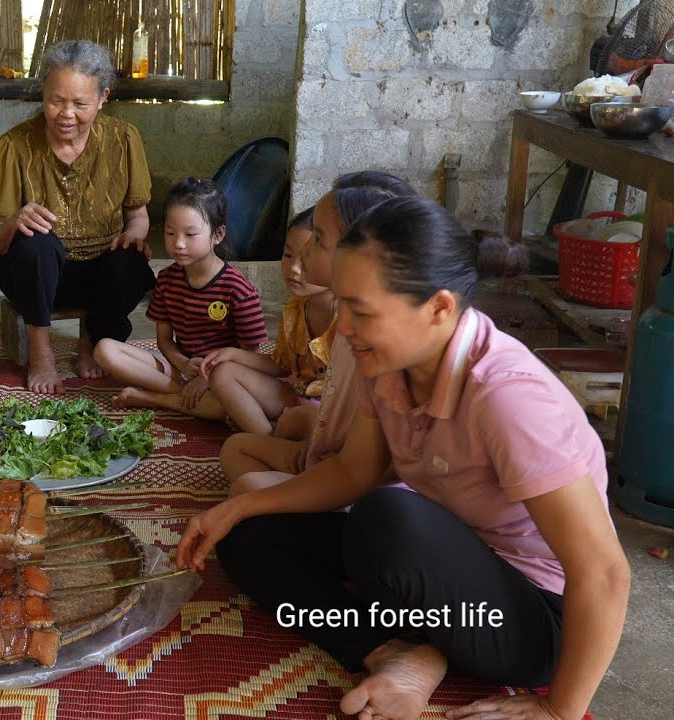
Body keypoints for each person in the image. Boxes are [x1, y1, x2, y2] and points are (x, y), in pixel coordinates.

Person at [178, 195, 629, 720]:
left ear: (438, 308)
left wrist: (561, 711)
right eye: (342, 304)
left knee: (389, 517)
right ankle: (394, 653)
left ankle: (426, 641)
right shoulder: (390, 364)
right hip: (447, 576)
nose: (343, 327)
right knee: (249, 531)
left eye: (362, 311)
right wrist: (236, 510)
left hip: (532, 622)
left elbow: (603, 572)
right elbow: (352, 472)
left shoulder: (510, 397)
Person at [220, 172, 417, 494]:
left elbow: (380, 467)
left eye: (318, 239)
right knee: (236, 449)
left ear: (362, 255)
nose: (304, 251)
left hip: (364, 489)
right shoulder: (346, 327)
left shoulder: (385, 348)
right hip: (330, 458)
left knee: (245, 490)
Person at [0, 39, 155, 394]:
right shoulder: (14, 145)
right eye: (56, 100)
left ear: (103, 97)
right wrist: (16, 221)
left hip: (99, 274)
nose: (66, 114)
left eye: (80, 103)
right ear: (43, 93)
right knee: (36, 242)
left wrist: (134, 235)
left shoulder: (124, 139)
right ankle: (42, 353)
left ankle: (91, 342)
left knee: (132, 262)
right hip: (38, 276)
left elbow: (137, 215)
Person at [94, 177, 267, 419]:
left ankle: (155, 398)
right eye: (170, 233)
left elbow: (250, 355)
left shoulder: (238, 290)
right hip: (178, 368)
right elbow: (164, 341)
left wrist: (208, 380)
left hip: (222, 379)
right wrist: (183, 364)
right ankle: (184, 395)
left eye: (190, 234)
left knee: (227, 406)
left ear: (218, 235)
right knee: (104, 350)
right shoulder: (166, 280)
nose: (179, 244)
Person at [199, 206, 333, 436]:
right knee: (222, 373)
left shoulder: (350, 320)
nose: (293, 269)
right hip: (299, 398)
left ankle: (285, 440)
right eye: (288, 255)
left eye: (306, 258)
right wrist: (233, 354)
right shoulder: (295, 308)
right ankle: (268, 439)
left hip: (334, 414)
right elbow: (281, 366)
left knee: (295, 423)